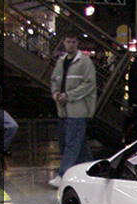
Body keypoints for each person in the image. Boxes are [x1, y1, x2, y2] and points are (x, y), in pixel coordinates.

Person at [48, 33, 96, 187]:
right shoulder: (61, 61)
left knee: (72, 143)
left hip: (78, 109)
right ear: (64, 42)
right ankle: (91, 171)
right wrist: (55, 93)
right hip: (63, 109)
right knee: (77, 143)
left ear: (77, 43)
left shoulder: (85, 62)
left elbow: (89, 84)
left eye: (73, 42)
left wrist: (69, 96)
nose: (71, 44)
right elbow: (55, 80)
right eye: (68, 41)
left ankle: (63, 175)